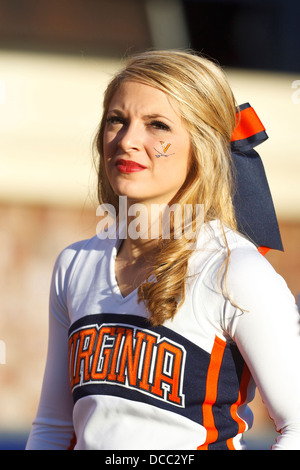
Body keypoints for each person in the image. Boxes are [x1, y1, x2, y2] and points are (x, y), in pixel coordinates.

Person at [26, 50, 300, 450]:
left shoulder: (234, 271)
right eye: (116, 120)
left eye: (157, 125)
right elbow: (53, 427)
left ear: (201, 146)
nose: (127, 140)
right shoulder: (75, 264)